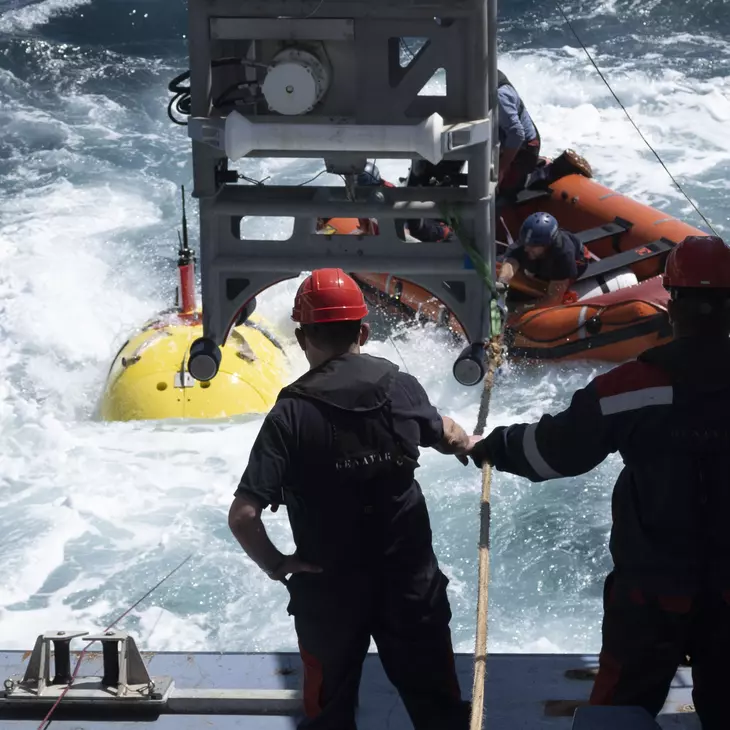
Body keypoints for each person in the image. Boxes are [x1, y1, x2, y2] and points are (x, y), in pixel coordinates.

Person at [469, 234, 730, 729]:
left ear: (672, 305)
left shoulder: (634, 387)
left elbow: (552, 453)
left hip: (651, 595)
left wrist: (492, 445)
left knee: (618, 713)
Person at [228, 268, 477, 730]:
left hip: (329, 592)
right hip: (408, 582)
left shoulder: (289, 414)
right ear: (363, 331)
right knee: (438, 708)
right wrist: (467, 443)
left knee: (330, 710)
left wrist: (279, 565)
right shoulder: (398, 386)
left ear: (302, 338)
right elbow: (445, 432)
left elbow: (244, 515)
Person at [497, 211, 586, 309]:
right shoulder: (528, 243)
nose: (526, 249)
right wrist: (503, 282)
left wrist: (521, 309)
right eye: (525, 244)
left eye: (532, 246)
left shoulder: (564, 255)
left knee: (524, 296)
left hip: (570, 264)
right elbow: (511, 261)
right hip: (540, 258)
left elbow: (553, 299)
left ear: (546, 244)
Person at [496, 69, 540, 200]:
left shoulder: (500, 95)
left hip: (524, 147)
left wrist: (501, 170)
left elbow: (517, 134)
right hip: (501, 141)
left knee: (502, 196)